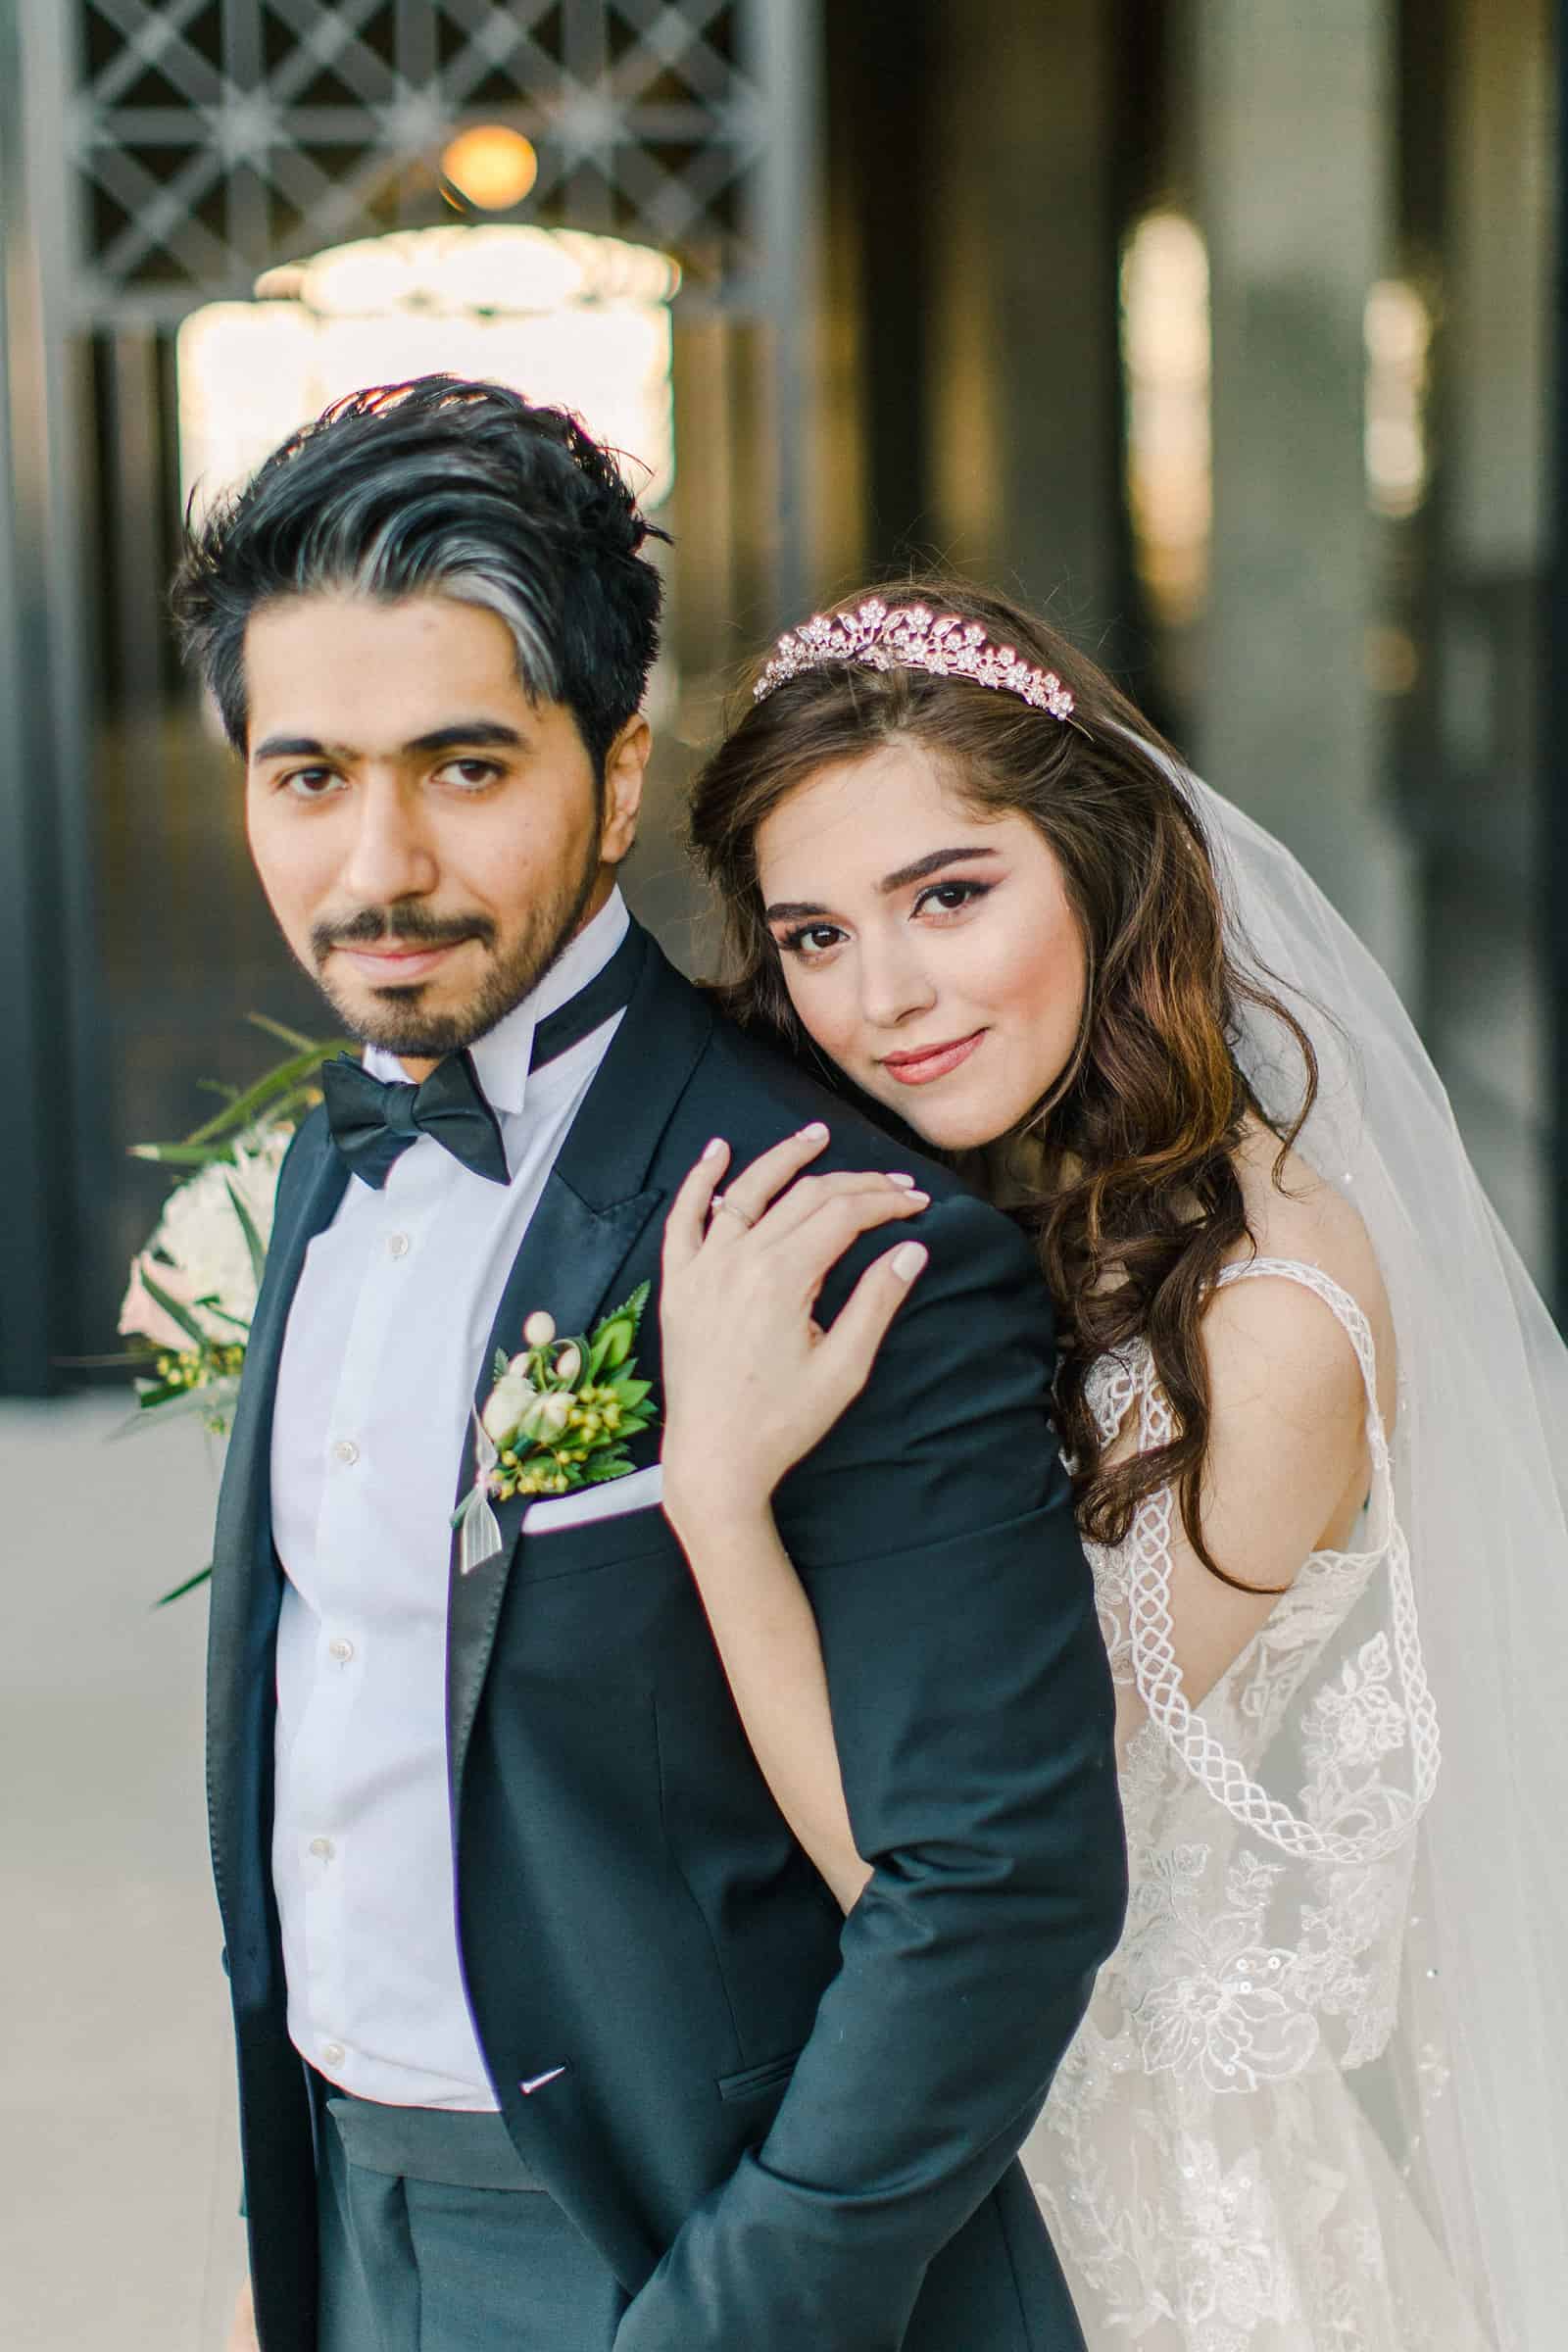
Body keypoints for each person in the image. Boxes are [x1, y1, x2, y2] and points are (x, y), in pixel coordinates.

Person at [172, 385, 1127, 2352]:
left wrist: (735, 2318)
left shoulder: (835, 1226)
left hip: (668, 2258)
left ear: (612, 782)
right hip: (346, 2221)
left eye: (461, 768)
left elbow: (997, 1884)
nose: (379, 862)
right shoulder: (329, 1161)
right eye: (307, 777)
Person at [663, 580, 1568, 2351]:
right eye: (815, 936)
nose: (886, 996)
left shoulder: (1277, 1318)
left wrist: (717, 1498)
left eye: (948, 896)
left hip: (1150, 2214)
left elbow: (939, 1866)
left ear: (1098, 861)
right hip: (947, 2138)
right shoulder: (966, 1184)